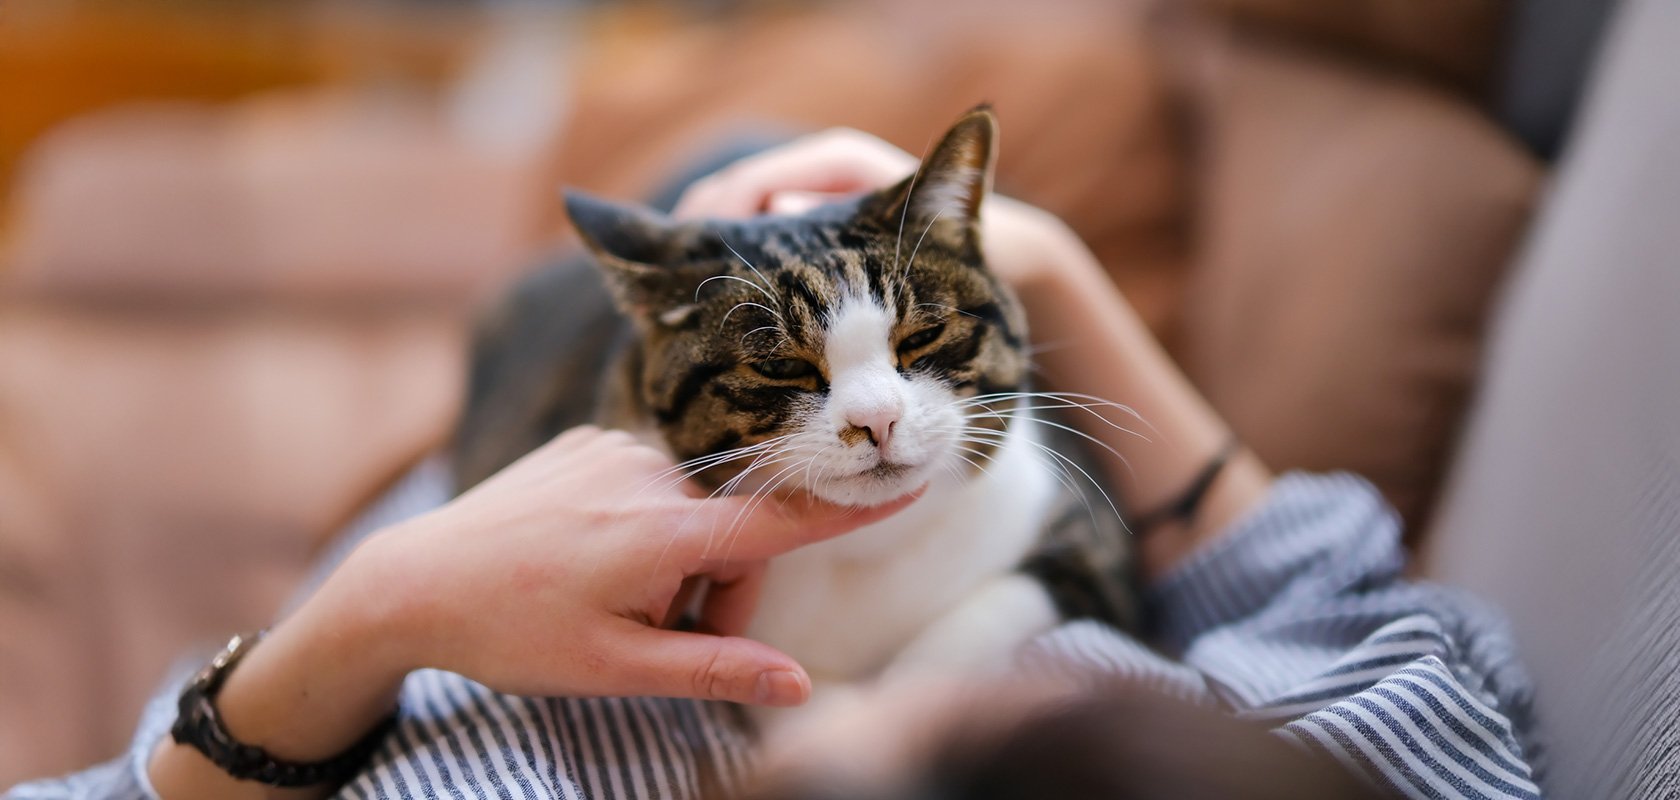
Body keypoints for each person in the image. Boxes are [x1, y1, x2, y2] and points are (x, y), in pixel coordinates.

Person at [8, 129, 1539, 800]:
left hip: (529, 500)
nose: (879, 425)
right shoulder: (1350, 765)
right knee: (753, 185)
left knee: (581, 295)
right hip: (753, 363)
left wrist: (376, 607)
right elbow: (1365, 618)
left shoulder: (535, 765)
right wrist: (1053, 271)